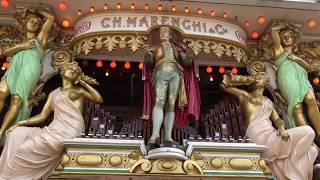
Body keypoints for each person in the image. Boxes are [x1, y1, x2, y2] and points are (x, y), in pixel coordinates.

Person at [0, 62, 103, 179]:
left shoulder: (79, 91)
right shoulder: (54, 94)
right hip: (55, 128)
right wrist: (20, 123)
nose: (72, 70)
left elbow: (98, 99)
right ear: (62, 72)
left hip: (70, 130)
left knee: (26, 147)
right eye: (70, 68)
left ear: (77, 77)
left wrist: (83, 82)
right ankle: (9, 173)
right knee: (16, 134)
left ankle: (15, 175)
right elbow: (42, 116)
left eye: (75, 71)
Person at [220, 71, 318, 180]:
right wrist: (244, 80)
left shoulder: (268, 102)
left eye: (261, 77)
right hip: (259, 138)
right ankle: (292, 165)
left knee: (313, 150)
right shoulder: (245, 96)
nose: (259, 78)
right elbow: (224, 86)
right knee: (309, 131)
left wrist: (281, 128)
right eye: (257, 76)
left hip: (272, 135)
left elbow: (277, 120)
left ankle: (292, 169)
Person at [142, 26, 200, 146]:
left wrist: (189, 52)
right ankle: (155, 134)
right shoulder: (154, 47)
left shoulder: (177, 48)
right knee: (159, 101)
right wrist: (148, 55)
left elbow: (187, 62)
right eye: (161, 33)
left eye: (165, 33)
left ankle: (168, 136)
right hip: (161, 72)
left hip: (175, 74)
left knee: (171, 104)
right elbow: (150, 63)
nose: (162, 34)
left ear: (170, 35)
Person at [0, 10, 55, 138]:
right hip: (15, 66)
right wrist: (21, 45)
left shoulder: (40, 40)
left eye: (38, 22)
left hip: (30, 66)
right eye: (31, 20)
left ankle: (2, 131)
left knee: (17, 100)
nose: (35, 23)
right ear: (24, 23)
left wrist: (37, 10)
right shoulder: (19, 43)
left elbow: (51, 18)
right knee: (2, 91)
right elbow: (5, 52)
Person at [267, 22, 320, 136]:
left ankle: (319, 131)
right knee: (296, 107)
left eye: (289, 36)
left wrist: (297, 59)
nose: (286, 38)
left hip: (301, 77)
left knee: (311, 100)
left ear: (293, 39)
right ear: (279, 40)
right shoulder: (278, 50)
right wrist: (287, 25)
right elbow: (274, 30)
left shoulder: (297, 56)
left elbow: (309, 68)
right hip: (286, 77)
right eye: (283, 37)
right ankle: (306, 135)